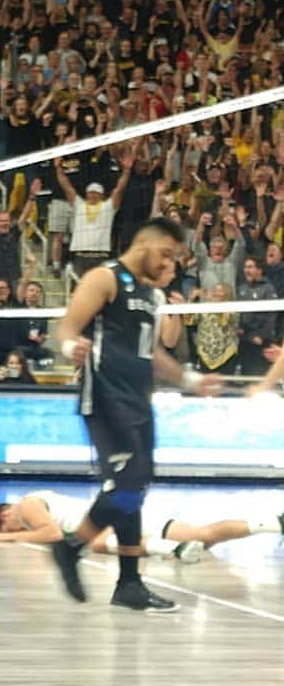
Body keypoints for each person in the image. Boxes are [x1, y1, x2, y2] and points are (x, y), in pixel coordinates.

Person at [51, 217, 223, 613]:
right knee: (128, 483)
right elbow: (66, 327)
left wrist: (190, 379)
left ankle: (129, 583)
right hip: (106, 399)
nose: (168, 265)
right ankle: (70, 548)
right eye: (165, 254)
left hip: (139, 401)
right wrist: (67, 349)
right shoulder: (104, 278)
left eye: (174, 259)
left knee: (138, 487)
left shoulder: (151, 295)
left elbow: (153, 354)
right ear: (144, 243)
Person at [0, 490, 284, 563]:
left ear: (6, 514)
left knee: (96, 543)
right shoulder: (34, 506)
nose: (15, 532)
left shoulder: (26, 504)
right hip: (128, 514)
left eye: (6, 527)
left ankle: (174, 549)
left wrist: (1, 540)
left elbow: (50, 533)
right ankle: (271, 524)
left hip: (110, 521)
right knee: (204, 535)